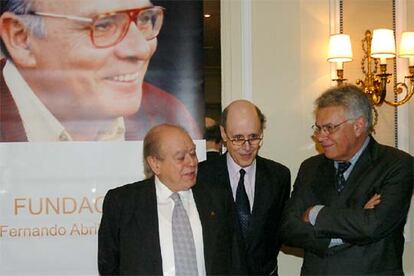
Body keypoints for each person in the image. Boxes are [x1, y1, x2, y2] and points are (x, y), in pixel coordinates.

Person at [0, 0, 200, 142]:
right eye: (103, 25)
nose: (140, 49)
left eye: (144, 19)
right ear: (21, 38)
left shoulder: (169, 114)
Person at [281, 84, 413, 275]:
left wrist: (314, 213)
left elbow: (373, 225)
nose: (320, 137)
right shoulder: (310, 167)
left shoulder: (397, 165)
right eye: (318, 128)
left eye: (329, 128)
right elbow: (288, 229)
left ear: (358, 126)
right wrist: (353, 223)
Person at [98, 124, 236, 275]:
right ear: (155, 164)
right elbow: (109, 267)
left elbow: (234, 261)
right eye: (180, 157)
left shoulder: (217, 199)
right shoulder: (122, 203)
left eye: (193, 153)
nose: (191, 162)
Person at [197, 100, 291, 275]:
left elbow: (280, 231)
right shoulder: (201, 176)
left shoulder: (279, 176)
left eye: (254, 137)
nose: (247, 147)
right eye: (238, 138)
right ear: (224, 134)